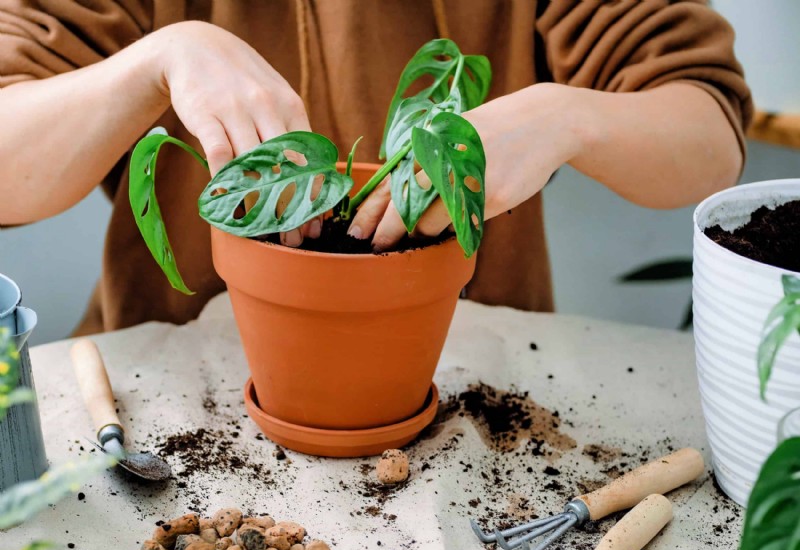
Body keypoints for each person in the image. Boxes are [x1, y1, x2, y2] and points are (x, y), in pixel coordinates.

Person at [0, 1, 752, 336]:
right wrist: (155, 63)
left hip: (472, 383)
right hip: (163, 384)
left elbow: (706, 137)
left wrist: (566, 115)